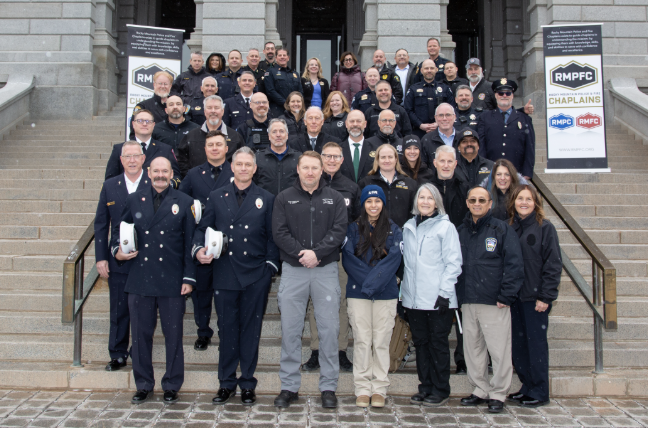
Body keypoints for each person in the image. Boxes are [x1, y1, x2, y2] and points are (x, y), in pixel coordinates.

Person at [193, 146, 279, 406]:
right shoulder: (216, 196)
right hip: (225, 272)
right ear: (232, 167)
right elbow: (202, 228)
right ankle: (226, 382)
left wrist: (270, 268)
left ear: (255, 168)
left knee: (251, 330)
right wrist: (198, 249)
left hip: (255, 274)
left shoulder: (266, 198)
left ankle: (248, 383)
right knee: (227, 329)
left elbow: (272, 237)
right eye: (239, 164)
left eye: (248, 164)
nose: (243, 168)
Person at [111, 157, 196, 405]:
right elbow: (119, 230)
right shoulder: (134, 199)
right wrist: (117, 250)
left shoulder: (185, 202)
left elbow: (190, 242)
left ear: (171, 174)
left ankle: (171, 384)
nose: (160, 175)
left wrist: (189, 277)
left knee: (173, 336)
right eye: (156, 171)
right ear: (148, 172)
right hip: (140, 278)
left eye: (165, 171)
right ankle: (144, 384)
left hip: (172, 279)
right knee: (140, 336)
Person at [272, 151, 348, 409]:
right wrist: (302, 254)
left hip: (325, 269)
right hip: (294, 269)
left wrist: (318, 253)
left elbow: (339, 230)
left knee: (329, 330)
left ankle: (328, 387)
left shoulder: (334, 198)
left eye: (315, 168)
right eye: (305, 167)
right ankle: (289, 386)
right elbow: (279, 232)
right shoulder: (284, 198)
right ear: (298, 169)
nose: (310, 172)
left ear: (322, 169)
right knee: (290, 330)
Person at [456, 186, 523, 414]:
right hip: (468, 300)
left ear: (490, 204)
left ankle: (498, 393)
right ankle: (480, 389)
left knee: (498, 350)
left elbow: (514, 265)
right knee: (473, 349)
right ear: (467, 203)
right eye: (473, 200)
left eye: (482, 200)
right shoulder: (460, 231)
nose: (477, 204)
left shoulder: (502, 230)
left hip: (494, 301)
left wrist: (506, 295)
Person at [302, 142, 360, 374]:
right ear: (321, 158)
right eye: (328, 156)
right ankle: (316, 350)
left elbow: (356, 222)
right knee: (316, 303)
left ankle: (341, 350)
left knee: (341, 303)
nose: (332, 160)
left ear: (342, 160)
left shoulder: (351, 187)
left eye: (336, 156)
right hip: (317, 255)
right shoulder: (311, 185)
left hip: (342, 256)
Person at [342, 185, 403, 408]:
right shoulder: (352, 229)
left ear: (383, 204)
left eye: (377, 201)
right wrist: (370, 283)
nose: (373, 205)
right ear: (363, 204)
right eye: (369, 201)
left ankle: (379, 388)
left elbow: (394, 260)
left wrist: (374, 282)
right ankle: (362, 387)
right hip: (358, 293)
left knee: (381, 342)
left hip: (386, 293)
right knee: (362, 340)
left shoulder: (394, 230)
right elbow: (349, 259)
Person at [402, 183, 462, 407]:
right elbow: (407, 266)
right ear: (416, 201)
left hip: (438, 299)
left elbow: (453, 263)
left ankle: (440, 389)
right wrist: (403, 296)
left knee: (438, 344)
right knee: (421, 344)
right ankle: (425, 386)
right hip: (414, 300)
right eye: (421, 197)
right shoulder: (409, 227)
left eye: (430, 198)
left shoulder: (446, 228)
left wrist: (445, 293)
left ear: (437, 202)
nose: (425, 202)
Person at [95, 141, 151, 372]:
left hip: (148, 259)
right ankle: (117, 353)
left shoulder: (153, 183)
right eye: (127, 156)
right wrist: (102, 258)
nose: (132, 160)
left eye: (136, 156)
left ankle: (139, 351)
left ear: (143, 159)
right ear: (121, 160)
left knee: (144, 310)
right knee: (118, 308)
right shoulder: (110, 186)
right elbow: (101, 224)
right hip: (118, 257)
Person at [178, 130, 234, 351]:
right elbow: (181, 201)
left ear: (226, 148)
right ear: (204, 149)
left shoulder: (236, 171)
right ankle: (203, 331)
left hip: (227, 241)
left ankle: (224, 331)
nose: (214, 148)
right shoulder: (193, 174)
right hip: (201, 239)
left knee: (225, 293)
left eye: (219, 144)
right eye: (210, 145)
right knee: (201, 292)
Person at [507, 184, 561, 408]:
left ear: (535, 202)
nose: (524, 202)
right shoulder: (510, 227)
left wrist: (546, 296)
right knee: (519, 346)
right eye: (520, 198)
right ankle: (527, 386)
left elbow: (553, 264)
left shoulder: (544, 228)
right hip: (514, 298)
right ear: (513, 202)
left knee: (536, 345)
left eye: (528, 199)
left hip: (535, 299)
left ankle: (539, 390)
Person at [105, 109, 181, 188]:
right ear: (133, 124)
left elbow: (176, 176)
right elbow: (110, 179)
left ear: (153, 125)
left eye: (148, 121)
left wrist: (167, 184)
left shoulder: (165, 149)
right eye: (140, 121)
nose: (144, 124)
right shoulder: (120, 149)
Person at [478, 78, 535, 179]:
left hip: (516, 174)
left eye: (508, 93)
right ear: (496, 95)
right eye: (500, 93)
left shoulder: (524, 119)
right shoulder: (485, 118)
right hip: (492, 173)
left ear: (512, 96)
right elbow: (481, 146)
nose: (504, 96)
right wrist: (484, 170)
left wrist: (526, 175)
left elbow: (529, 148)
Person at [176, 95, 244, 177]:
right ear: (204, 111)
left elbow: (242, 161)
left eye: (216, 108)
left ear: (222, 111)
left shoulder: (235, 137)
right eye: (209, 108)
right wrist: (193, 178)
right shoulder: (191, 136)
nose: (213, 111)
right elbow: (182, 161)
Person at [358, 144, 417, 228]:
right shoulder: (365, 183)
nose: (387, 160)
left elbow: (414, 213)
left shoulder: (410, 184)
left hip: (402, 233)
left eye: (390, 157)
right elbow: (360, 212)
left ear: (396, 159)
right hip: (374, 233)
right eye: (383, 157)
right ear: (377, 160)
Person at [404, 59, 455, 139]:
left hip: (441, 131)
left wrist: (438, 124)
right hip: (418, 131)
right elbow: (408, 110)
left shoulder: (445, 88)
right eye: (426, 68)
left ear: (436, 69)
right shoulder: (413, 89)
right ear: (421, 70)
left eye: (431, 68)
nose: (429, 70)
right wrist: (420, 125)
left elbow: (452, 108)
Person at [253, 119, 301, 196]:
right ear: (269, 136)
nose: (278, 135)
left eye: (281, 131)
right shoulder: (257, 158)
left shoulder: (299, 158)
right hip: (264, 202)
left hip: (291, 202)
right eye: (274, 132)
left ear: (287, 135)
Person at [430, 145, 470, 229]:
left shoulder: (465, 188)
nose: (446, 165)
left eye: (450, 161)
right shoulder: (427, 189)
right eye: (442, 161)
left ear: (455, 164)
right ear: (435, 163)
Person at [129, 71, 172, 140]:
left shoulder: (176, 107)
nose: (163, 86)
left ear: (170, 86)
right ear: (154, 85)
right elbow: (134, 133)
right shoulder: (143, 106)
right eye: (160, 83)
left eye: (165, 84)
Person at [338, 110, 379, 183]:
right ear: (346, 124)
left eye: (359, 121)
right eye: (352, 121)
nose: (355, 124)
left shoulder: (376, 149)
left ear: (365, 124)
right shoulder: (337, 150)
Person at [263, 49, 303, 117]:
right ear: (276, 58)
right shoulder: (270, 72)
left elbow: (300, 92)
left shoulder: (294, 74)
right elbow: (270, 91)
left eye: (284, 55)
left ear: (288, 58)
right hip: (277, 110)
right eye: (280, 55)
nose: (282, 57)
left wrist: (295, 103)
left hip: (294, 109)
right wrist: (285, 103)